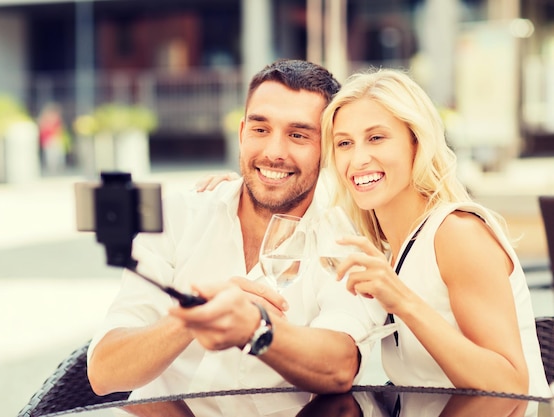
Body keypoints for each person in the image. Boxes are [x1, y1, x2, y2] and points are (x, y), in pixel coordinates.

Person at [86, 59, 384, 416]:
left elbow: (339, 366)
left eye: (298, 135)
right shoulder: (178, 217)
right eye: (260, 130)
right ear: (242, 133)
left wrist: (256, 328)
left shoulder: (347, 237)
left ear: (328, 150)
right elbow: (105, 373)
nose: (274, 151)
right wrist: (194, 315)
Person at [319, 68, 549, 397]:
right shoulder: (392, 247)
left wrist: (402, 301)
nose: (358, 159)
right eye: (344, 143)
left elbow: (510, 385)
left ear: (417, 142)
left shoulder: (456, 234)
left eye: (376, 138)